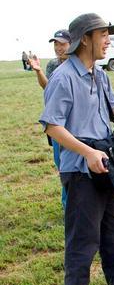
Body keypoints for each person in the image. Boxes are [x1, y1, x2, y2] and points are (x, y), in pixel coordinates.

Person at [39, 13, 114, 285]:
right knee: (83, 237)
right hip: (80, 170)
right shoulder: (63, 77)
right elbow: (52, 126)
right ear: (85, 39)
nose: (108, 40)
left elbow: (106, 110)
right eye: (103, 34)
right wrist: (87, 152)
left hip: (106, 164)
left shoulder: (100, 74)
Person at [28, 29, 72, 209]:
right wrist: (38, 71)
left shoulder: (77, 64)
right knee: (62, 164)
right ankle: (67, 204)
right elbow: (48, 88)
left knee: (74, 165)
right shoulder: (53, 65)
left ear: (72, 44)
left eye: (62, 44)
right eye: (56, 44)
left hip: (73, 122)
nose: (58, 48)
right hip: (56, 122)